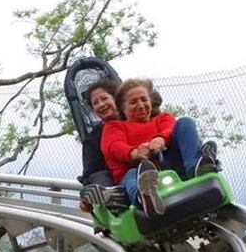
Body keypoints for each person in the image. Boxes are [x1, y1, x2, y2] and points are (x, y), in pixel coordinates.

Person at [101, 79, 219, 216]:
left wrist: (160, 139)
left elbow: (170, 128)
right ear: (123, 108)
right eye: (133, 102)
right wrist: (134, 153)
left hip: (168, 165)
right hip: (137, 170)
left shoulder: (163, 118)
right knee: (131, 176)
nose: (141, 105)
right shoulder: (114, 126)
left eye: (144, 100)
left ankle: (197, 168)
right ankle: (144, 198)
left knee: (186, 122)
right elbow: (114, 146)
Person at [78, 78, 128, 213]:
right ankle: (113, 201)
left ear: (116, 98)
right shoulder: (93, 138)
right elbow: (90, 172)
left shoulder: (133, 120)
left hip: (137, 171)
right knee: (99, 176)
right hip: (114, 181)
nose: (101, 105)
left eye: (104, 99)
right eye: (95, 103)